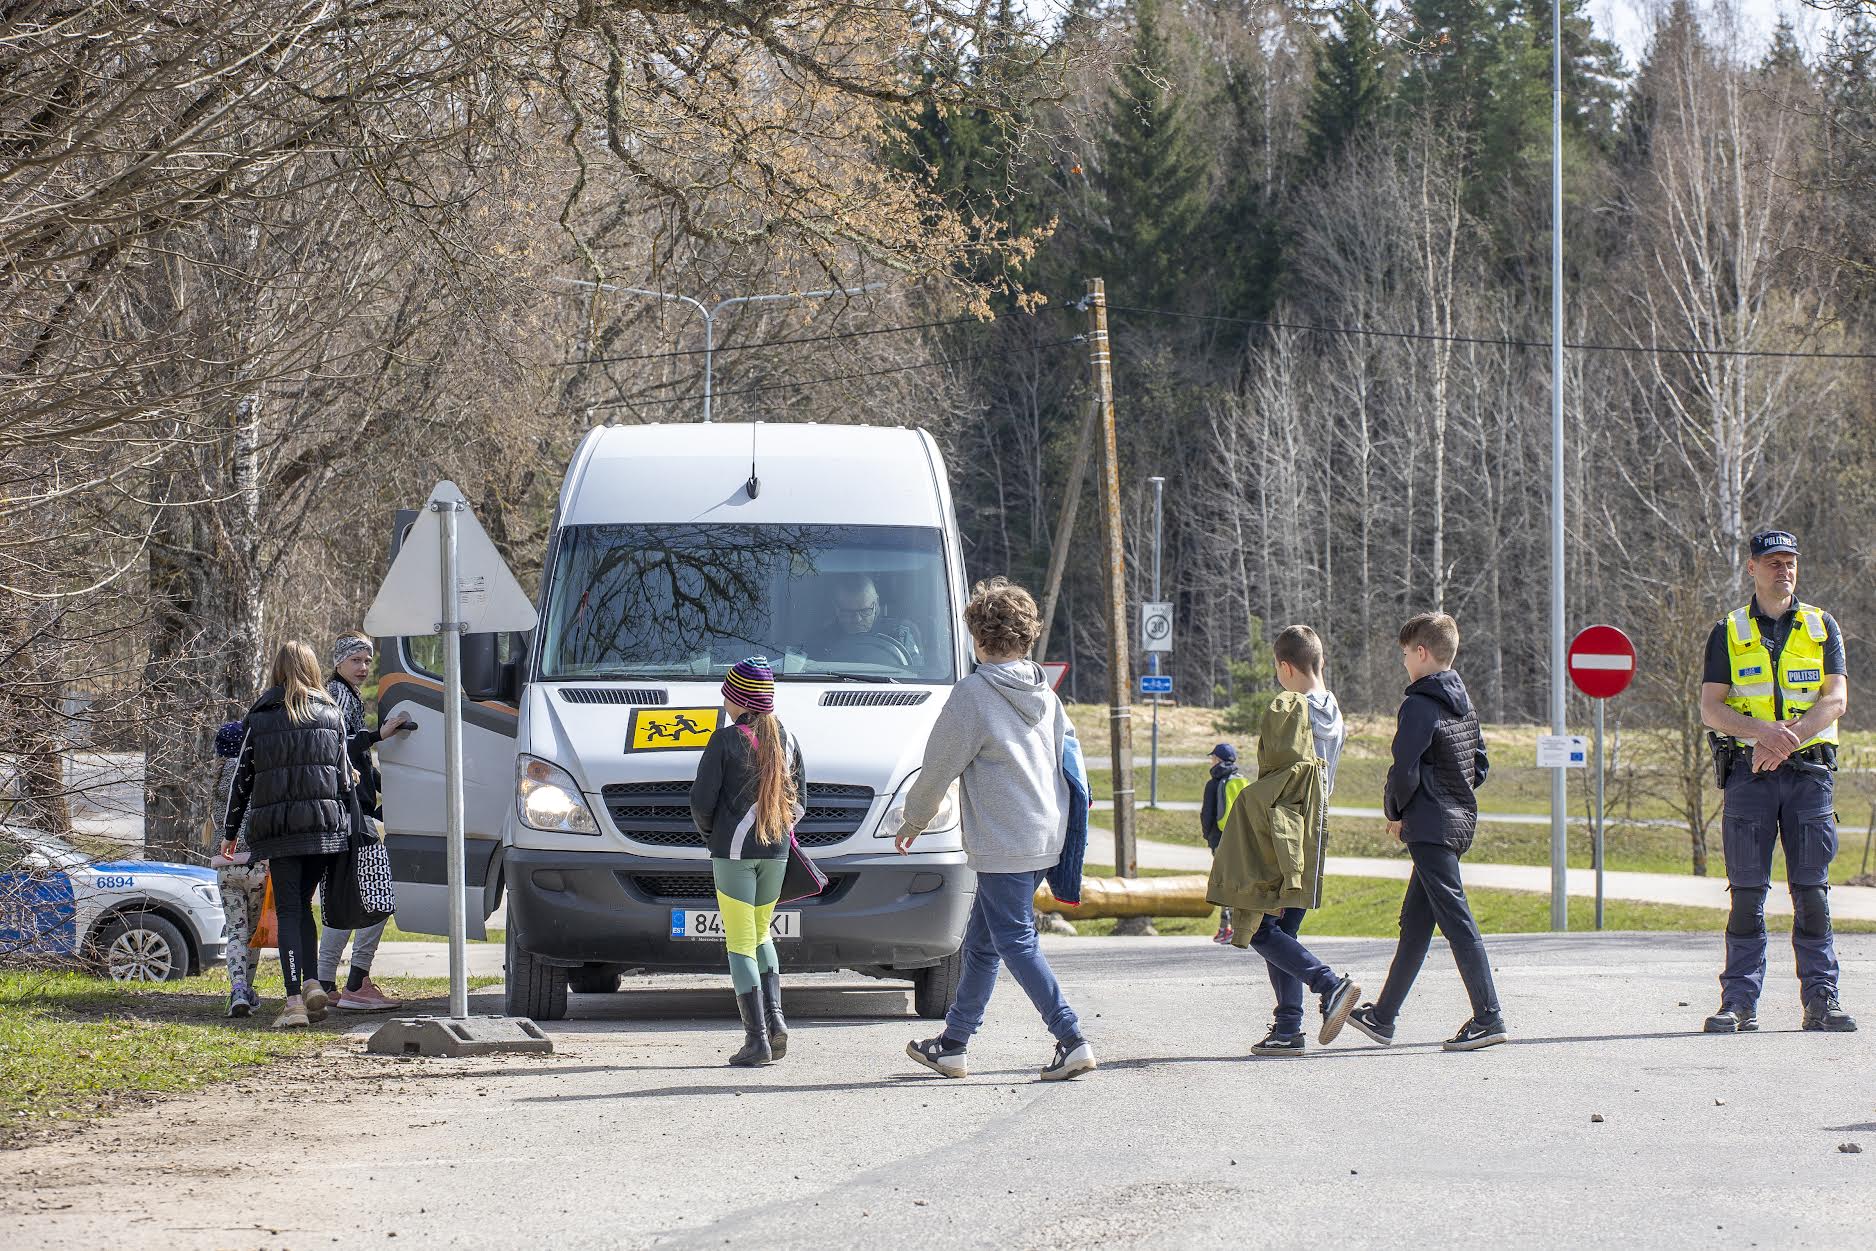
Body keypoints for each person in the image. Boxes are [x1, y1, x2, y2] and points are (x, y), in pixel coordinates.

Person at [896, 577, 1096, 1082]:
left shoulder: (974, 694)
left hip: (1005, 840)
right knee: (983, 943)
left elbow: (938, 766)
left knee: (1015, 941)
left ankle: (1071, 1038)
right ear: (1027, 638)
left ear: (976, 638)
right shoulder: (1043, 692)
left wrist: (913, 821)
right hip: (1044, 834)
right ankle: (954, 1044)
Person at [1698, 530, 1855, 1033]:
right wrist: (1762, 733)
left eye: (1789, 561)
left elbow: (1835, 699)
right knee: (1747, 892)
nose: (1782, 570)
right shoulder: (1728, 630)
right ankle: (1739, 1002)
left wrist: (1784, 739)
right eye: (1772, 562)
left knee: (1812, 890)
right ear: (1752, 568)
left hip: (1808, 776)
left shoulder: (1821, 626)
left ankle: (1821, 1000)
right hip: (1750, 776)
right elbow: (1711, 707)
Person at [1347, 612, 1506, 1052]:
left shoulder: (1418, 703)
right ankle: (1382, 1017)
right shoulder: (1463, 701)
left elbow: (1405, 769)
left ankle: (1488, 1016)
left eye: (1404, 654)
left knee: (1457, 920)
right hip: (1454, 822)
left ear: (1421, 652)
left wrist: (1395, 811)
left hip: (1429, 825)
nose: (1403, 663)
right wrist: (1452, 792)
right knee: (1415, 924)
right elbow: (1480, 765)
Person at [1230, 625, 1357, 1058]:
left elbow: (1279, 783)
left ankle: (1329, 984)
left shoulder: (1290, 710)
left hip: (1286, 832)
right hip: (1316, 832)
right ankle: (1287, 1028)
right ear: (1319, 662)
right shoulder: (1334, 712)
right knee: (1283, 929)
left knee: (1260, 927)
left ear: (1285, 667)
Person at [223, 640, 361, 1029]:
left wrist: (231, 831)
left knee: (287, 908)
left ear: (278, 670)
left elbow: (242, 778)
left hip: (281, 831)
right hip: (324, 828)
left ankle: (294, 1001)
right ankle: (314, 981)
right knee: (303, 906)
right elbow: (344, 774)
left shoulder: (261, 715)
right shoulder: (331, 714)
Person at [689, 657, 807, 1066]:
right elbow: (801, 804)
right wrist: (774, 834)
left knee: (739, 944)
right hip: (776, 854)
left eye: (727, 691)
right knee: (761, 936)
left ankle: (756, 1041)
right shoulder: (788, 740)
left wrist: (715, 838)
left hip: (734, 855)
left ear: (737, 700)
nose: (722, 698)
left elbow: (700, 803)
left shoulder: (724, 741)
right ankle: (776, 1023)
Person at [316, 633, 410, 1012]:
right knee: (378, 895)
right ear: (338, 663)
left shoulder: (342, 694)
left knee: (342, 896)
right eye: (356, 660)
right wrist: (380, 734)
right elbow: (341, 747)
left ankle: (325, 984)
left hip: (348, 812)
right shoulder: (337, 695)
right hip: (349, 816)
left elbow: (358, 760)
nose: (363, 667)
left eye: (367, 661)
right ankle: (357, 982)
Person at [211, 720, 266, 1018]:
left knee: (235, 931)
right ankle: (248, 990)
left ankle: (237, 989)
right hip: (255, 865)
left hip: (225, 868)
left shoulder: (217, 780)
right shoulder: (254, 775)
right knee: (253, 935)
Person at [807, 575, 922, 668]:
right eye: (848, 612)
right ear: (836, 608)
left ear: (876, 604)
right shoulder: (822, 641)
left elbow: (917, 676)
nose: (857, 619)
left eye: (865, 611)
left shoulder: (901, 635)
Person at [1199, 743, 1246, 943]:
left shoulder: (1214, 783)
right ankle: (1236, 927)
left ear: (1217, 759)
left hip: (1220, 840)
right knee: (1235, 883)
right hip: (1240, 840)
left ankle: (1227, 929)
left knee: (1223, 884)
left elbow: (1206, 815)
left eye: (1213, 758)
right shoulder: (1242, 781)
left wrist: (1208, 836)